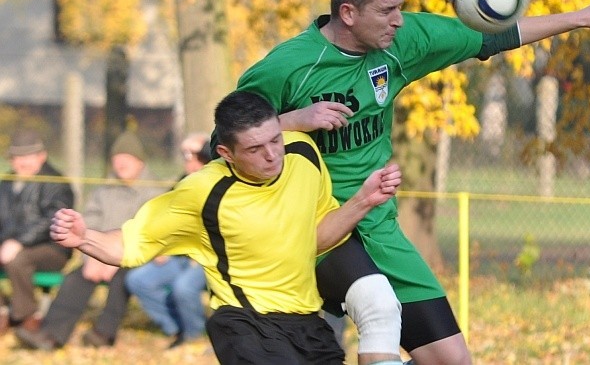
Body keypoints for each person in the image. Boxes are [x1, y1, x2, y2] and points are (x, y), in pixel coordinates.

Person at [233, 0, 590, 364]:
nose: (399, 20)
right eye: (387, 10)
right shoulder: (290, 67)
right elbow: (227, 138)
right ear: (348, 13)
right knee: (378, 311)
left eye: (401, 7)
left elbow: (494, 37)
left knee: (452, 360)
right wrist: (293, 120)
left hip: (378, 225)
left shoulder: (401, 43)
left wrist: (581, 18)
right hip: (317, 226)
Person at [49, 90, 402, 365]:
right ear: (226, 153)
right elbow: (127, 245)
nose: (272, 155)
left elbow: (314, 238)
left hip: (307, 322)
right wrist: (84, 237)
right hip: (246, 324)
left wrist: (363, 201)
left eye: (275, 140)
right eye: (255, 148)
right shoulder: (201, 192)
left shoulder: (303, 152)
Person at [15, 130, 165, 350]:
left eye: (128, 158)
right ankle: (50, 335)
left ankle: (103, 333)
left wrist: (118, 257)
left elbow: (152, 232)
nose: (121, 162)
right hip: (98, 253)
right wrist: (92, 257)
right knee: (75, 279)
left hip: (137, 256)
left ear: (140, 161)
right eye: (117, 157)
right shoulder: (103, 191)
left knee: (122, 280)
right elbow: (89, 225)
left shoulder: (155, 192)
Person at [125, 133, 211, 348]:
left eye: (194, 156)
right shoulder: (182, 183)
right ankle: (179, 328)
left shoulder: (221, 182)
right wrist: (161, 247)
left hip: (208, 257)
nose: (189, 161)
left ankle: (194, 336)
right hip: (178, 254)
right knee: (138, 280)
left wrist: (201, 147)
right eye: (186, 156)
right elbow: (165, 218)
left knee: (184, 287)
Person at [0, 129, 74, 336]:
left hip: (52, 249)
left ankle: (28, 316)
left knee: (17, 259)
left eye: (27, 157)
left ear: (41, 156)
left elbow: (53, 220)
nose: (21, 163)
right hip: (9, 244)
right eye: (17, 157)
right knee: (13, 256)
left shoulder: (56, 183)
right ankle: (3, 312)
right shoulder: (6, 182)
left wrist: (19, 242)